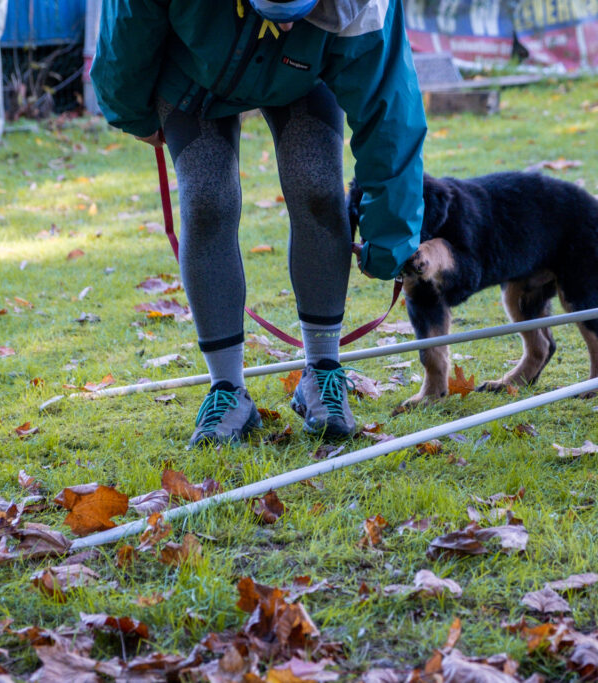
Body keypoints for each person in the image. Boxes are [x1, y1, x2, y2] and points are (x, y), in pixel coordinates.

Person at [91, 0, 426, 447]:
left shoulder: (361, 4)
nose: (285, 21)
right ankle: (227, 391)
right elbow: (126, 27)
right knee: (207, 200)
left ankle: (323, 372)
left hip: (307, 69)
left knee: (319, 189)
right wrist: (131, 109)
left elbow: (391, 109)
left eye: (297, 7)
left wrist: (389, 237)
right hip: (193, 66)